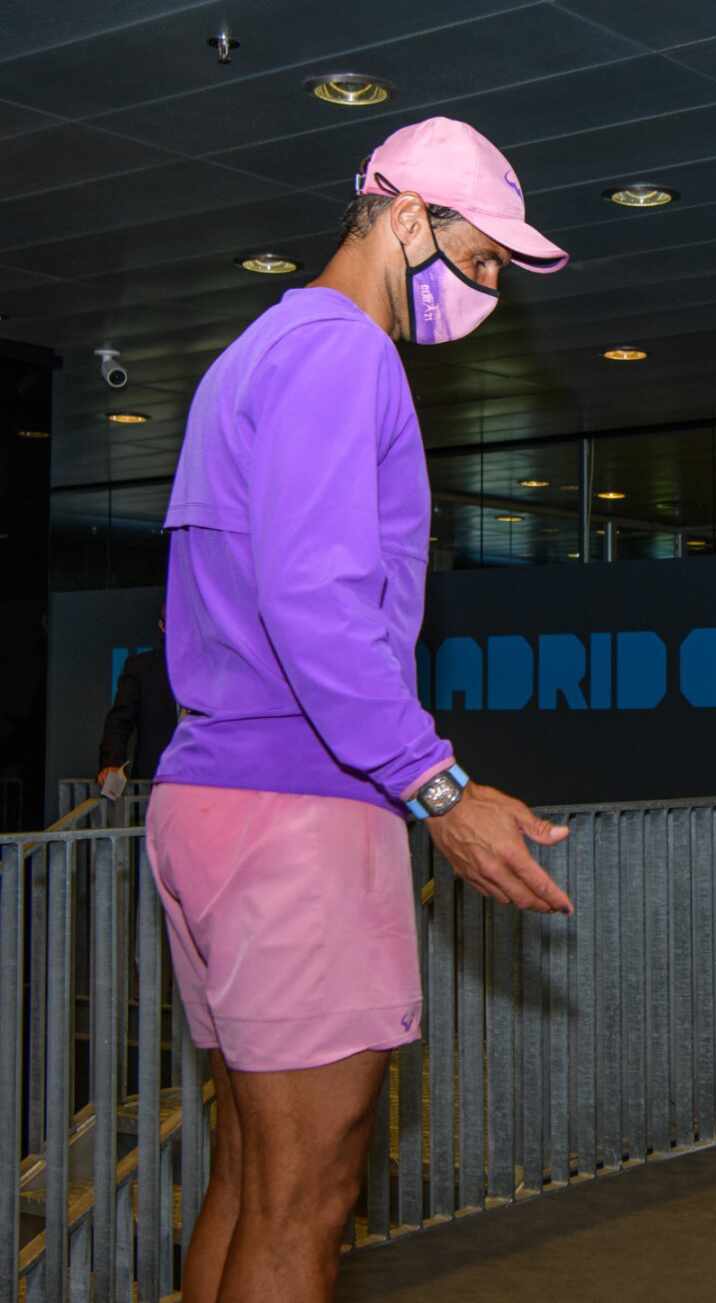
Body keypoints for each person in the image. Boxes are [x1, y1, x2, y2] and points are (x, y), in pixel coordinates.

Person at [146, 117, 572, 1303]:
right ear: (404, 218)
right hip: (299, 809)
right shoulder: (344, 354)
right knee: (309, 1201)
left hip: (213, 798)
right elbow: (313, 602)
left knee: (251, 1176)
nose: (484, 288)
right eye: (478, 258)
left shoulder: (259, 350)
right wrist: (436, 786)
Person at [96, 602, 176, 791]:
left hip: (207, 781)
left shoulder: (212, 666)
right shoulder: (141, 667)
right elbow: (120, 721)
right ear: (162, 626)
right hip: (155, 780)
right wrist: (112, 763)